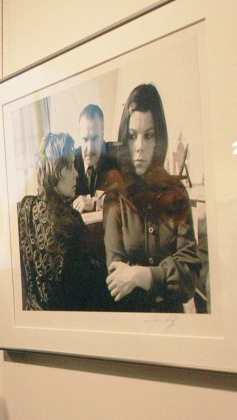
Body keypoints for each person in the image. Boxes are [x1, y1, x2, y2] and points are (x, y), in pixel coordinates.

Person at [102, 83, 200, 312]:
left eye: (148, 136)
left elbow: (190, 278)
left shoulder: (177, 194)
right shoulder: (114, 199)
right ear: (124, 139)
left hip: (174, 325)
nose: (139, 147)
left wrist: (140, 274)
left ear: (159, 139)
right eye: (133, 136)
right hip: (135, 327)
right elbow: (117, 283)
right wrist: (167, 278)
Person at [17, 132, 110, 311]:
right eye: (69, 167)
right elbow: (97, 283)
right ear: (54, 170)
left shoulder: (24, 207)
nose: (76, 173)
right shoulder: (70, 221)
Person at [72, 104, 117, 214]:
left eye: (95, 138)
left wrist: (97, 203)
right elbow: (60, 200)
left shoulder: (115, 157)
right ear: (79, 135)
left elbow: (125, 197)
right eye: (85, 139)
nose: (90, 148)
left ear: (102, 133)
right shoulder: (70, 161)